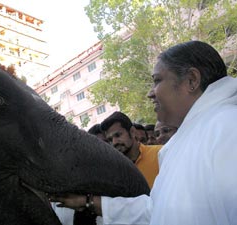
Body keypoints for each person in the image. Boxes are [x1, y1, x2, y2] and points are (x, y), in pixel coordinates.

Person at [49, 40, 237, 225]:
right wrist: (88, 203)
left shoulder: (228, 128)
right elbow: (156, 210)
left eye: (157, 81)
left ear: (191, 80)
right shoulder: (192, 136)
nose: (150, 93)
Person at [100, 111, 161, 188]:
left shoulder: (159, 153)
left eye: (118, 135)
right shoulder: (113, 171)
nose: (114, 142)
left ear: (132, 132)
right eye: (110, 139)